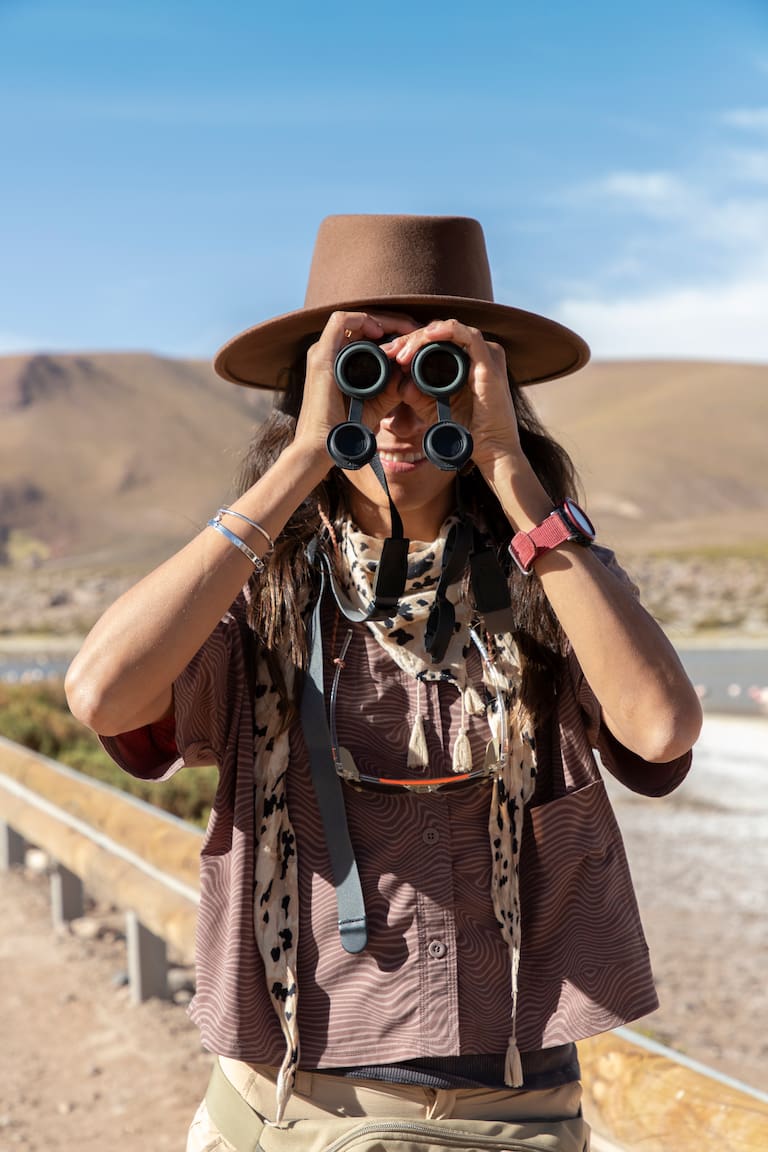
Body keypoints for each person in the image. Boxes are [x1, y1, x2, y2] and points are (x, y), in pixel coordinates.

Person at [65, 214, 703, 1152]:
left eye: (437, 375)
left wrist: (508, 465)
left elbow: (659, 728)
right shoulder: (259, 604)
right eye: (363, 376)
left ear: (490, 388)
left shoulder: (557, 592)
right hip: (283, 1107)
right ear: (315, 393)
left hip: (508, 1113)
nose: (399, 411)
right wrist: (300, 457)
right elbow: (102, 692)